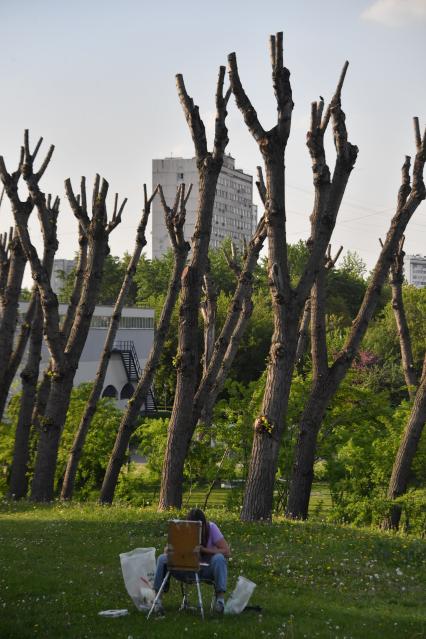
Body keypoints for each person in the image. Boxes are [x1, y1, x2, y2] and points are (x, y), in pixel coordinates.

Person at [153, 508, 230, 614]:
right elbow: (166, 550)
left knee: (220, 558)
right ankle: (158, 601)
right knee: (162, 559)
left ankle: (220, 601)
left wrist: (204, 550)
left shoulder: (211, 528)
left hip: (204, 568)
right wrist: (177, 547)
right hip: (184, 567)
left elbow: (226, 551)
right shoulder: (182, 529)